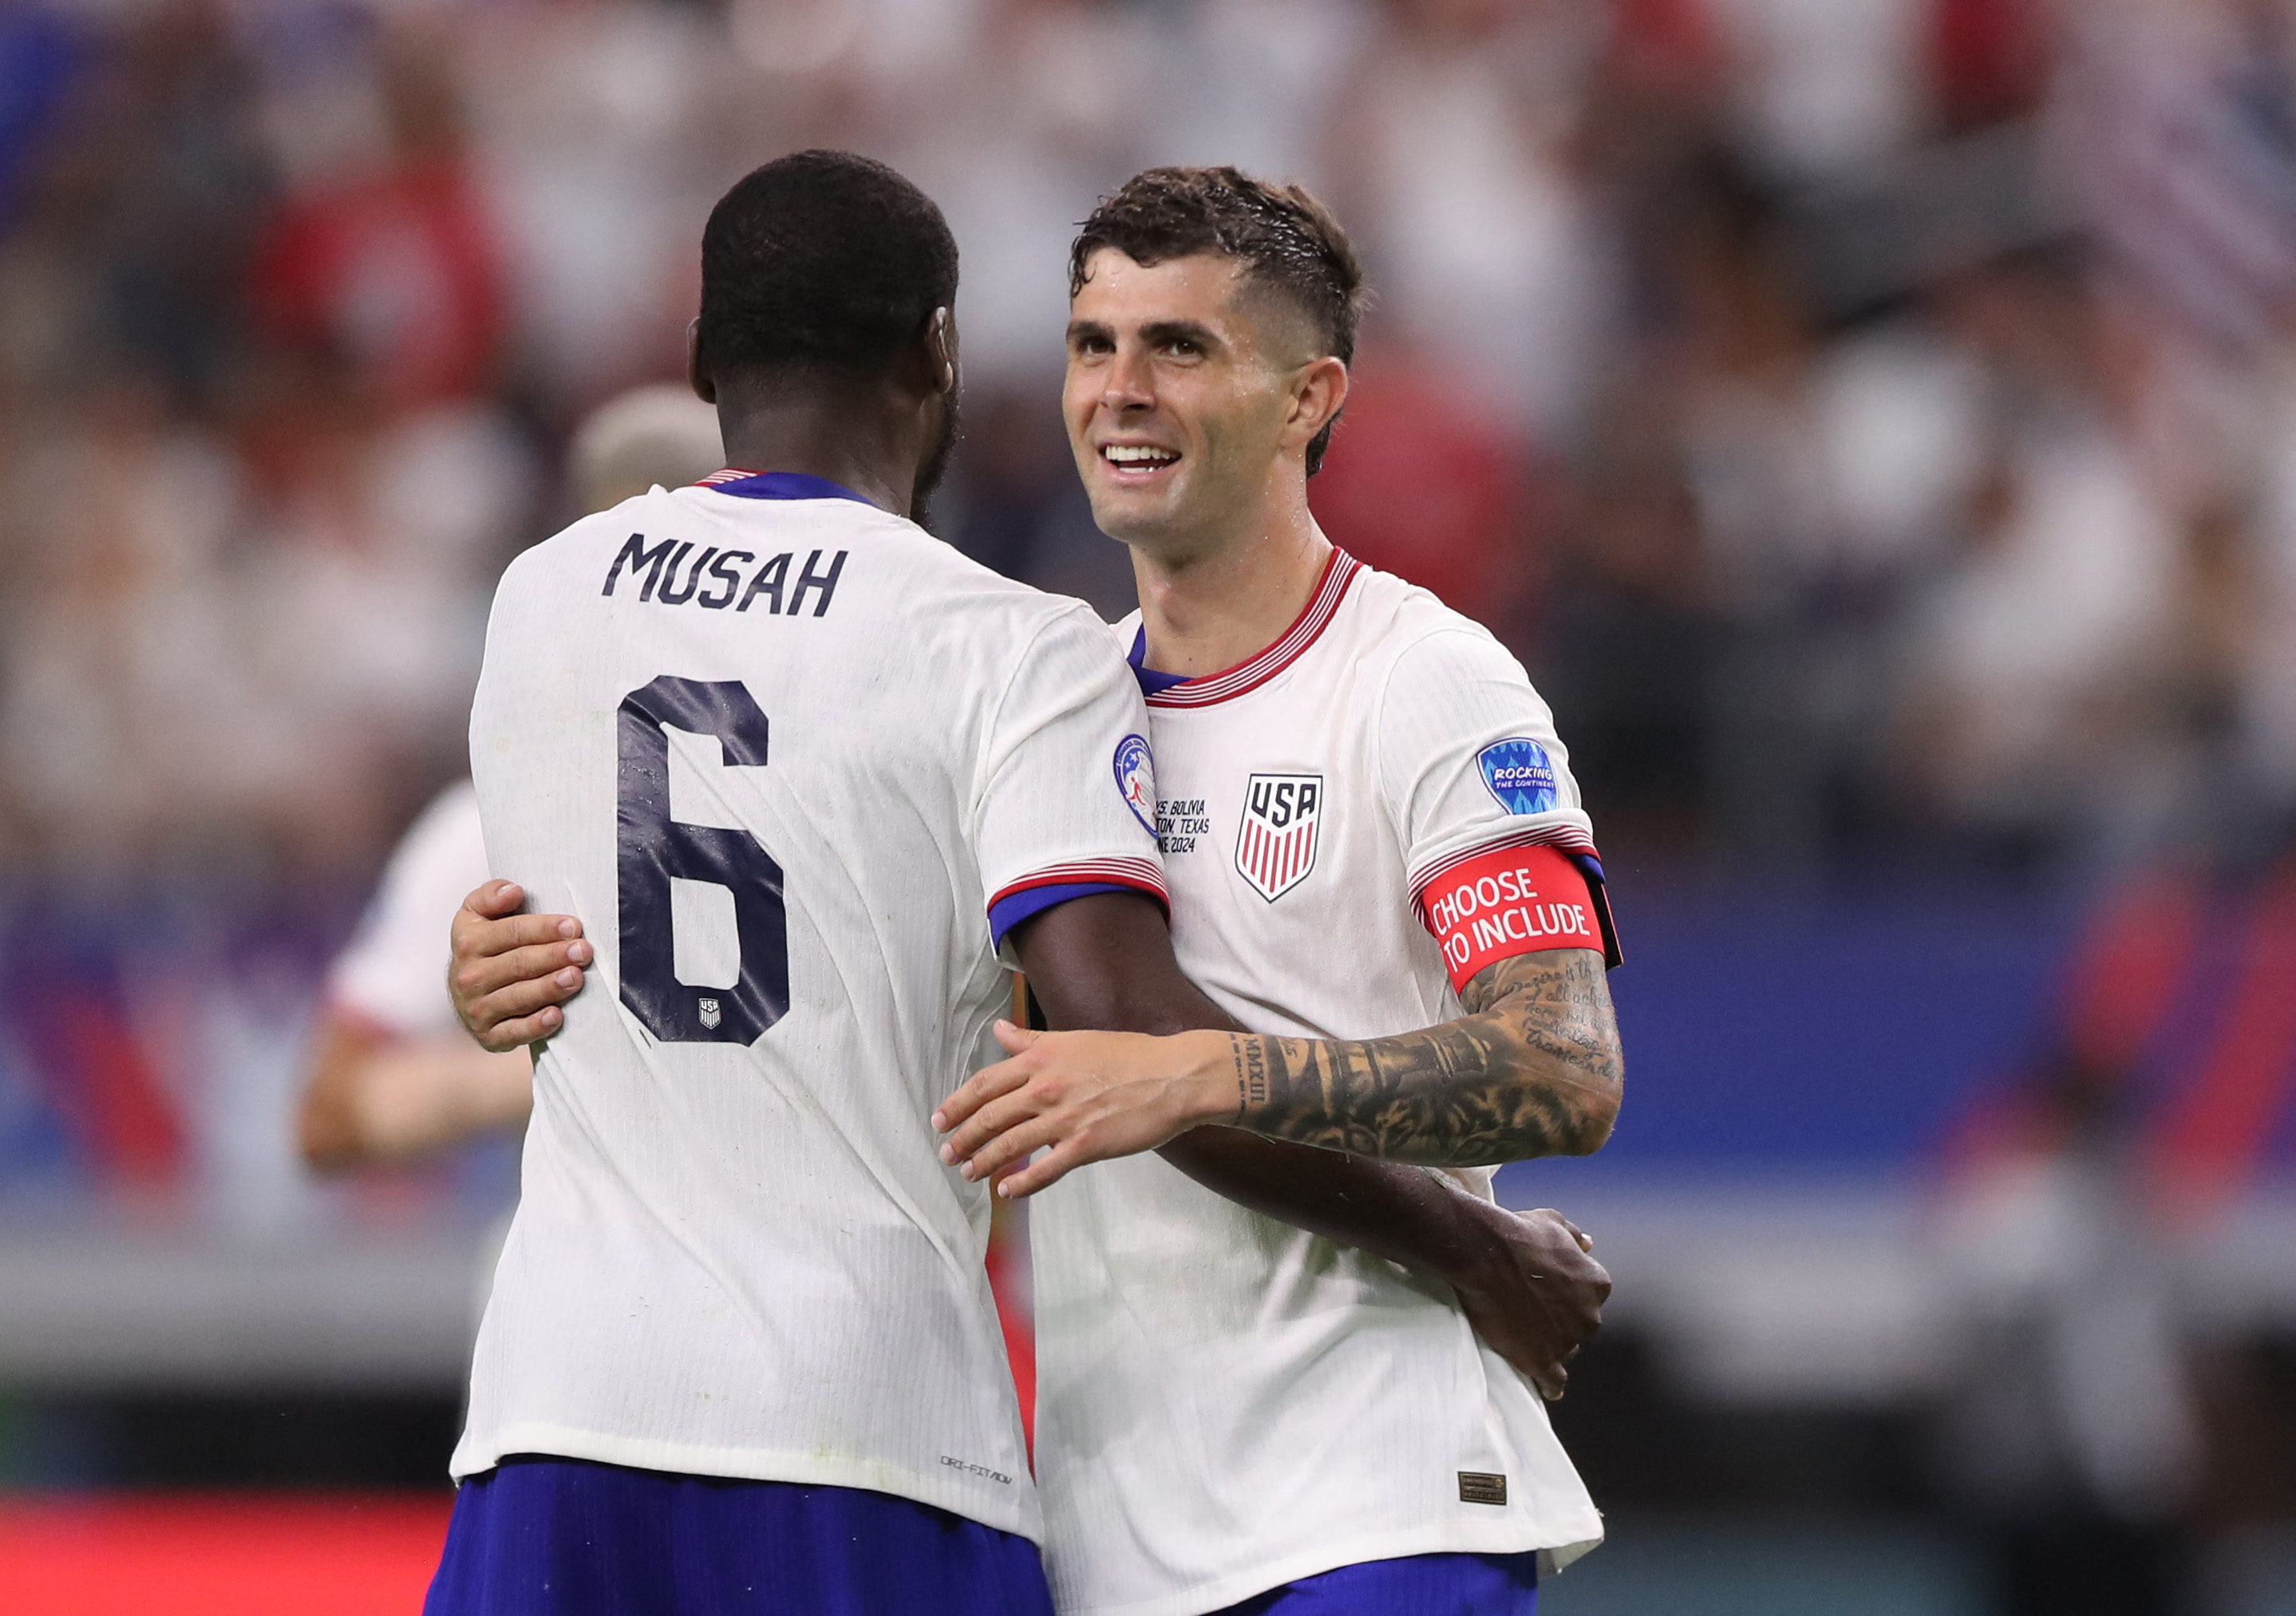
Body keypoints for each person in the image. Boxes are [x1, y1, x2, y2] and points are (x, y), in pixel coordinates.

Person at [455, 164, 1624, 1616]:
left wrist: (1207, 1069)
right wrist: (509, 947)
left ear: (1309, 398)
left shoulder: (1427, 682)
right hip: (1105, 1533)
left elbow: (1562, 1068)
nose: (1120, 391)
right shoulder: (1039, 684)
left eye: (1180, 348)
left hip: (1364, 1507)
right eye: (1092, 346)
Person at [293, 385, 724, 1173]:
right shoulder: (496, 817)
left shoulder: (838, 766)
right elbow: (329, 1112)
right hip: (606, 1274)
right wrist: (580, 1063)